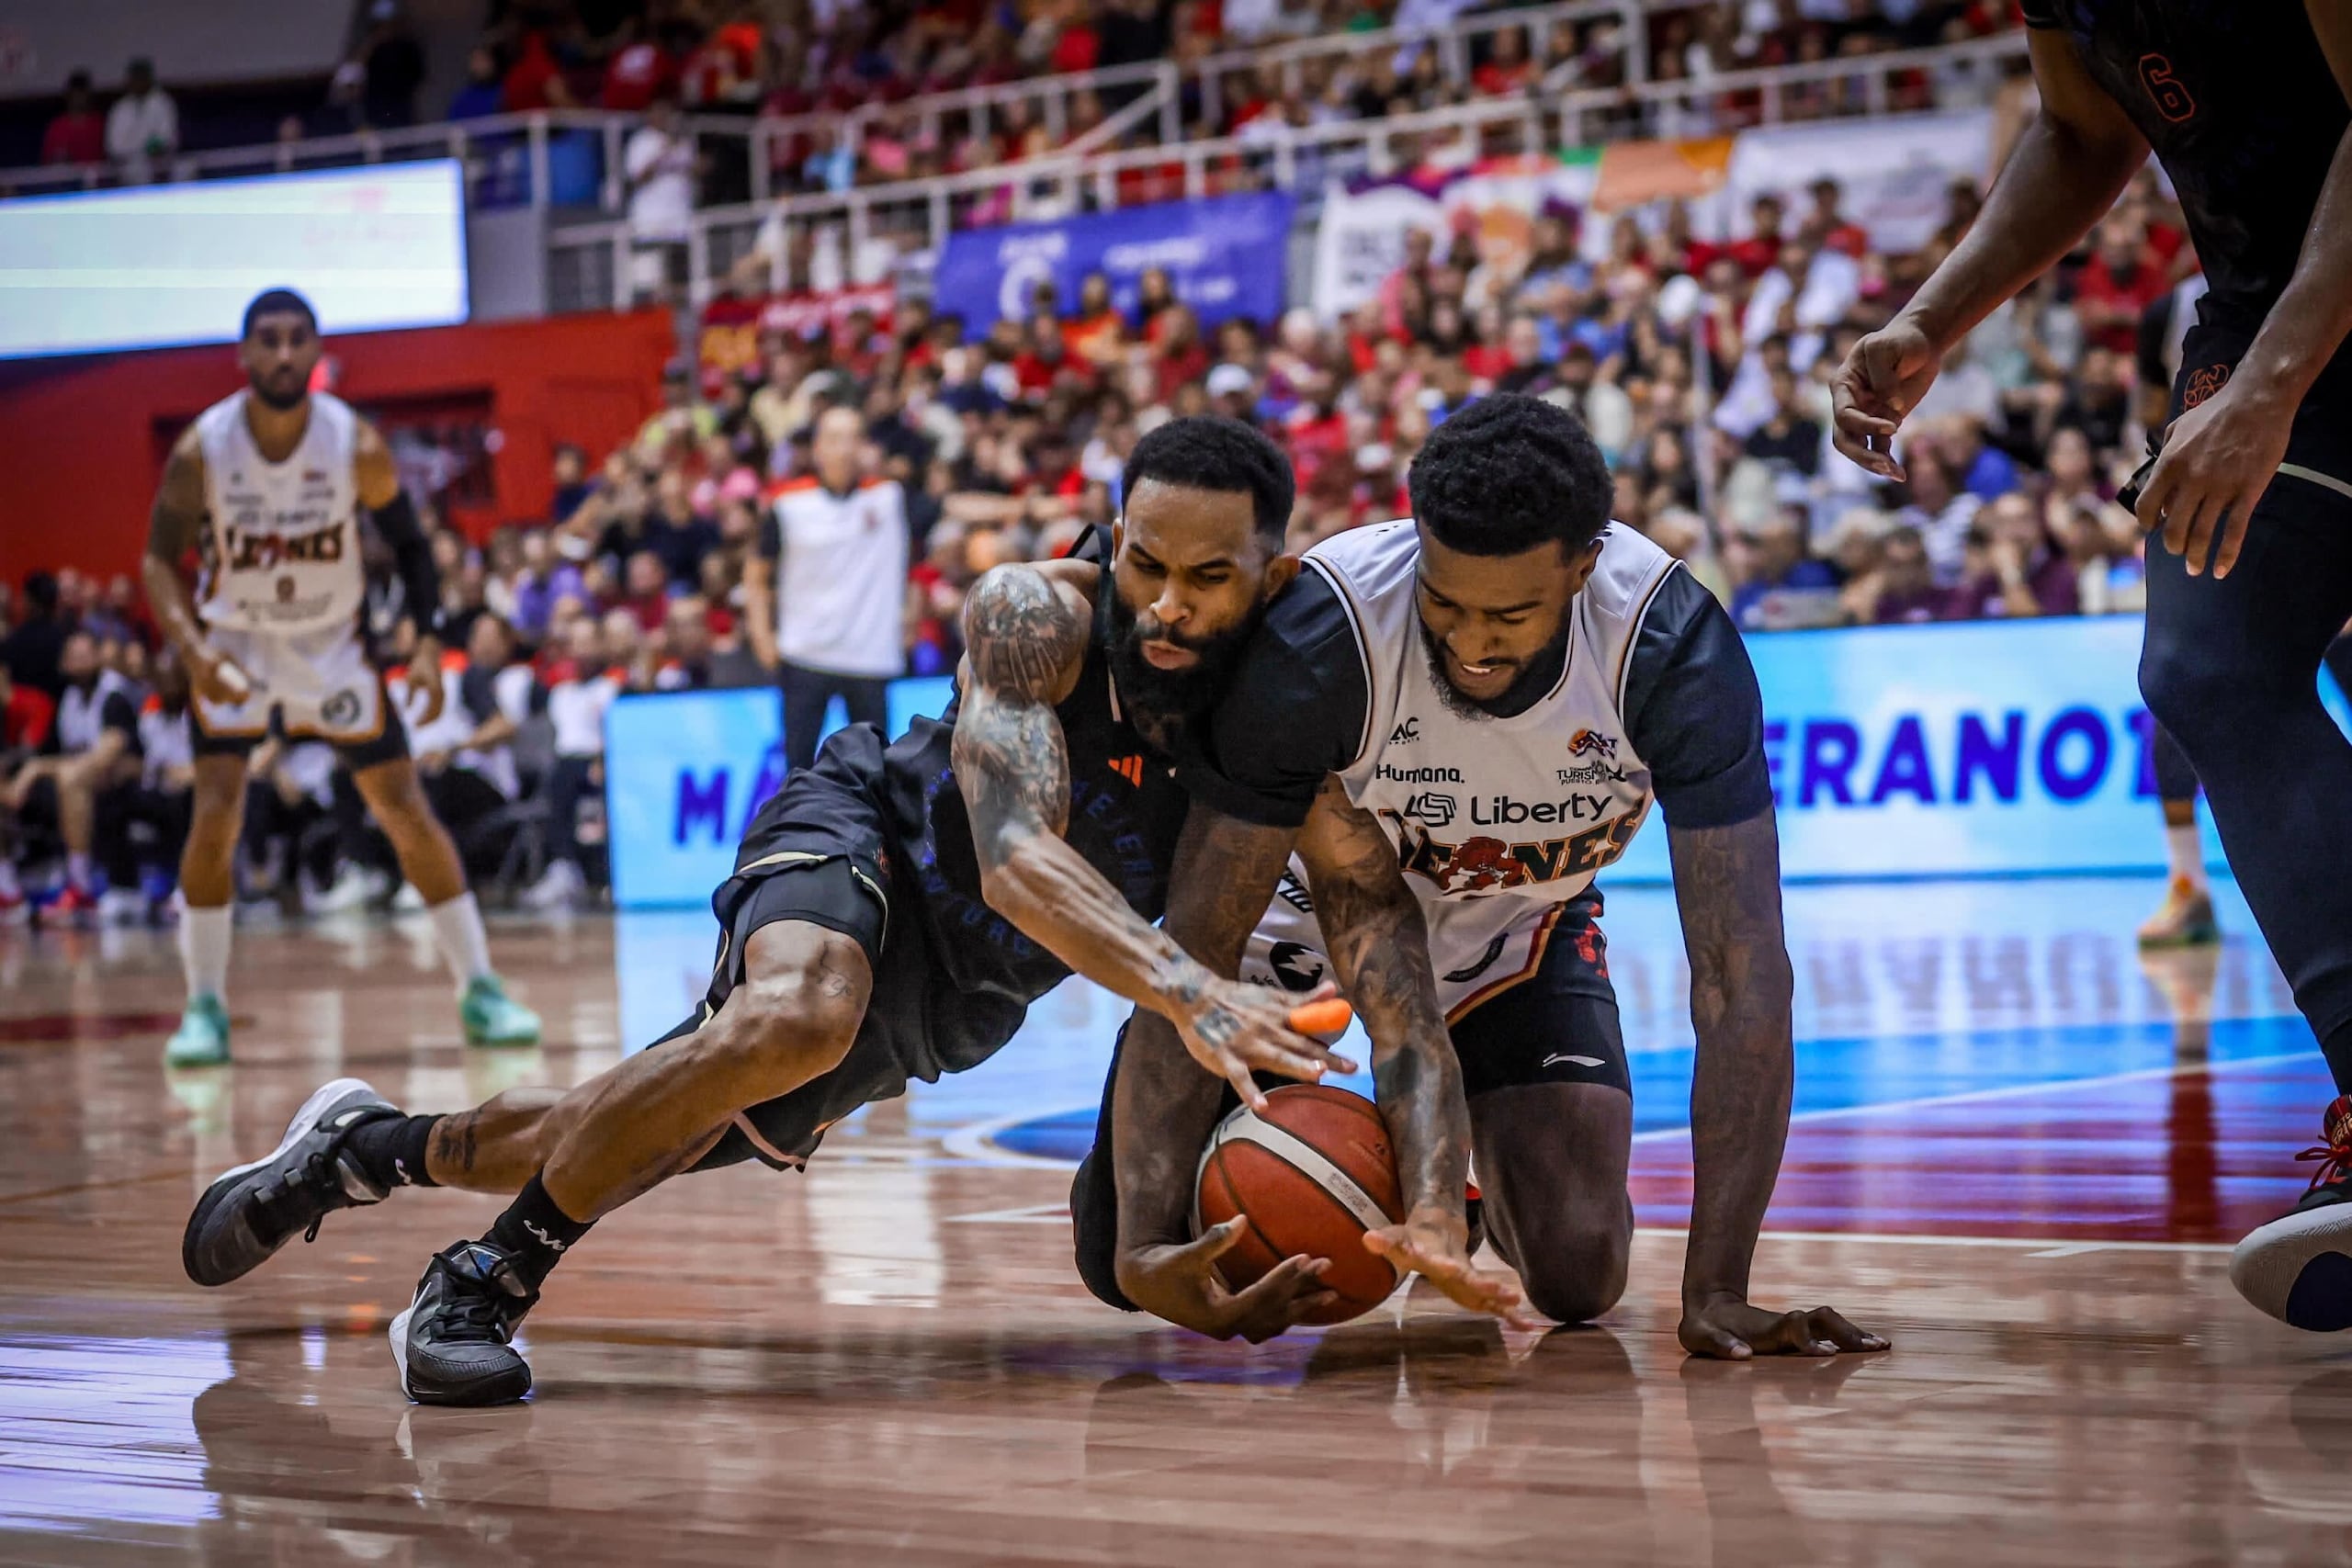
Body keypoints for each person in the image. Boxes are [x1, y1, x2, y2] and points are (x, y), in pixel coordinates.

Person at [178, 419, 1371, 1407]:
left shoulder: (1281, 739)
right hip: (868, 833)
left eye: (1207, 578)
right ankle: (486, 1274)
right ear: (1113, 539)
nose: (1163, 603)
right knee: (798, 1011)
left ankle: (360, 1148)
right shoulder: (1038, 613)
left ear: (1267, 581)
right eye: (1144, 564)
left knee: (625, 1130)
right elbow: (1013, 859)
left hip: (957, 996)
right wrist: (1189, 985)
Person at [1076, 396, 1885, 1361]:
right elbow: (1200, 940)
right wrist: (1138, 1251)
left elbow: (1741, 975)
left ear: (1582, 568)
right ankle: (1403, 1154)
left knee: (1579, 1273)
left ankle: (1454, 1182)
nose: (1470, 641)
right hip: (1294, 956)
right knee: (1120, 1259)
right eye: (1445, 603)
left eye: (1510, 614)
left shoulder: (1668, 652)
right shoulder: (1322, 638)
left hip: (1512, 948)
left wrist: (1718, 1288)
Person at [1827, 3, 2352, 1329]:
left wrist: (2272, 387)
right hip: (2263, 307)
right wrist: (1932, 319)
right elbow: (2078, 128)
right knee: (2213, 663)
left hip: (2300, 325)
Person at [141, 288, 541, 1067]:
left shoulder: (353, 443)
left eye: (299, 340)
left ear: (317, 351)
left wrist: (425, 641)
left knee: (405, 809)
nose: (285, 354)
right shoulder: (203, 447)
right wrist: (192, 652)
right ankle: (204, 1003)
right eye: (270, 340)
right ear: (245, 354)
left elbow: (416, 548)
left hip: (332, 648)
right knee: (215, 813)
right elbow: (159, 560)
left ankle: (481, 986)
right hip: (237, 647)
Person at [745, 406, 910, 773]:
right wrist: (762, 635)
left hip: (869, 656)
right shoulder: (787, 503)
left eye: (854, 438)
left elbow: (951, 506)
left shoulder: (890, 497)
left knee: (879, 772)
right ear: (817, 448)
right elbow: (756, 574)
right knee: (798, 770)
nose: (845, 449)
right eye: (835, 439)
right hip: (804, 654)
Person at [0, 630, 138, 923]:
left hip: (122, 782)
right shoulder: (70, 698)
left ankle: (81, 886)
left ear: (99, 657)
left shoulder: (114, 696)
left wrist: (54, 769)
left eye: (85, 655)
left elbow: (109, 752)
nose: (79, 663)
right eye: (73, 657)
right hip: (78, 781)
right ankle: (8, 887)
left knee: (72, 779)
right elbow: (61, 755)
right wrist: (33, 770)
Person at [104, 57, 178, 185]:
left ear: (149, 78)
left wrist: (153, 147)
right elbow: (114, 146)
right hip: (128, 167)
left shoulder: (162, 102)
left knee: (186, 168)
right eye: (135, 78)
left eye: (142, 77)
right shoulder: (120, 108)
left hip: (159, 164)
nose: (138, 82)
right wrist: (141, 148)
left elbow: (167, 137)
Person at [41, 70, 106, 167]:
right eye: (76, 93)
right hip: (66, 180)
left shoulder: (100, 124)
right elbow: (48, 164)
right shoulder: (57, 127)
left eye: (82, 92)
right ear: (68, 95)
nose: (79, 97)